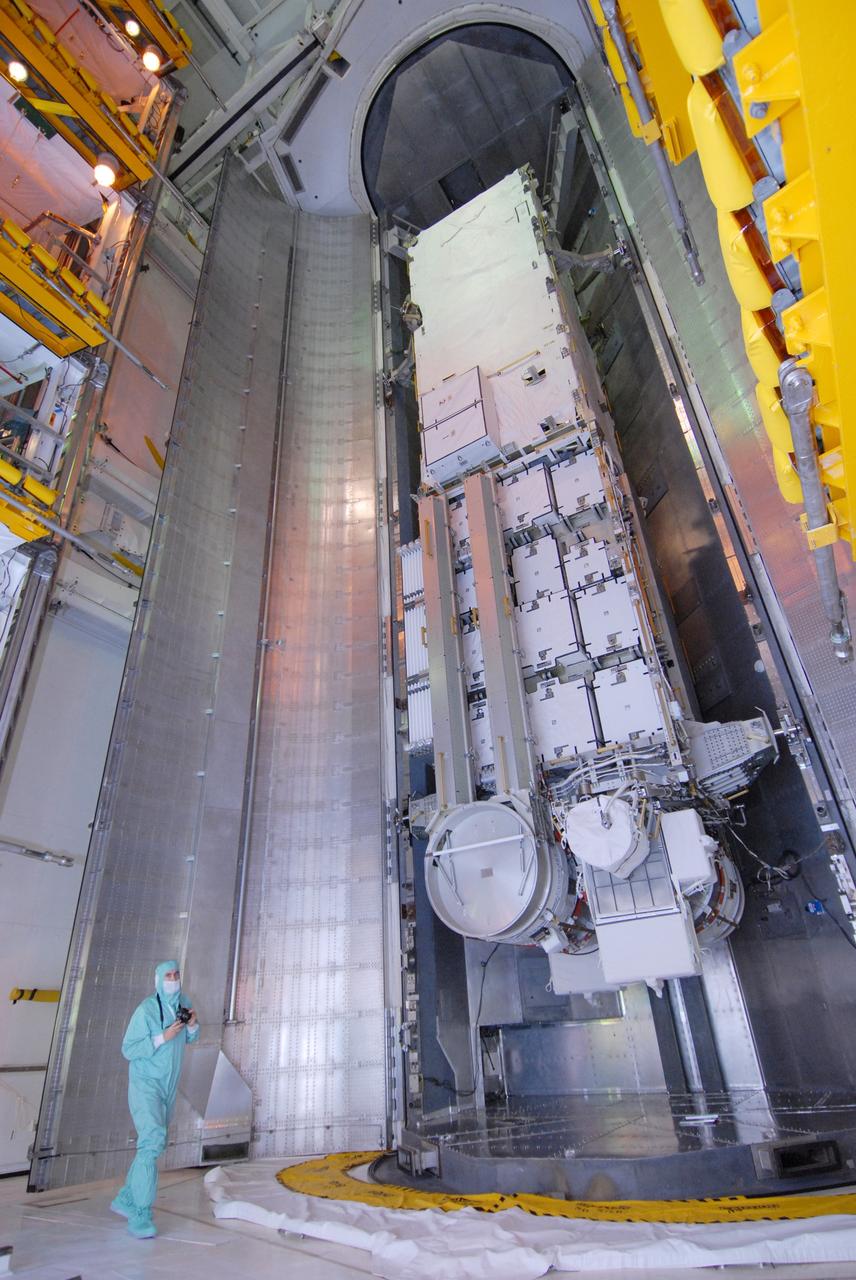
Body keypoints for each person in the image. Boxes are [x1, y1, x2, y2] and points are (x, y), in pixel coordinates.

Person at [110, 960, 199, 1238]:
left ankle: (126, 1197)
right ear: (158, 979)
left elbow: (190, 1039)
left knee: (155, 1142)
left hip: (168, 1085)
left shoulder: (184, 1003)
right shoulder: (146, 1009)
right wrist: (163, 1037)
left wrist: (192, 1025)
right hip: (146, 1084)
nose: (173, 979)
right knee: (151, 1141)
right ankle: (141, 1212)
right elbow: (129, 1049)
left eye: (176, 974)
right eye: (167, 975)